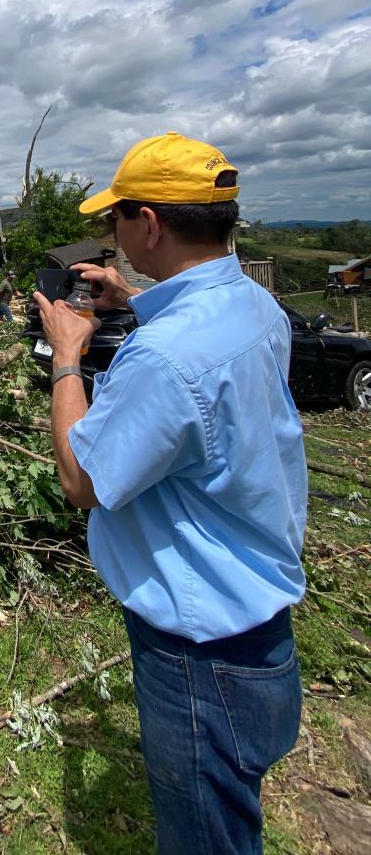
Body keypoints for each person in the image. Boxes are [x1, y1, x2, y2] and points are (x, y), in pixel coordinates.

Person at [33, 131, 306, 855]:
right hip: (257, 633)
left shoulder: (166, 355)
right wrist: (137, 301)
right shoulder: (254, 307)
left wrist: (66, 357)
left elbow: (82, 481)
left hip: (200, 659)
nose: (109, 234)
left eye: (115, 218)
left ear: (147, 224)